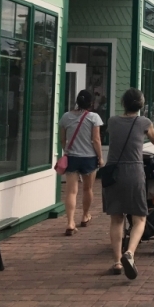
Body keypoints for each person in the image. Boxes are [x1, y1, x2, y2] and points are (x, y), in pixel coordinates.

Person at [103, 88, 154, 279]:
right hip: (134, 172)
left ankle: (116, 261)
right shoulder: (144, 122)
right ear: (141, 105)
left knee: (116, 218)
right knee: (139, 217)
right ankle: (129, 253)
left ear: (123, 103)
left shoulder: (112, 121)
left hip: (113, 172)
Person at [58, 90, 104, 235]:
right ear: (91, 103)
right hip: (89, 158)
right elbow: (96, 140)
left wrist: (67, 150)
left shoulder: (66, 117)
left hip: (72, 157)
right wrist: (100, 157)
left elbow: (62, 139)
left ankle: (70, 223)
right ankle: (85, 215)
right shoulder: (94, 117)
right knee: (87, 189)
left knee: (71, 191)